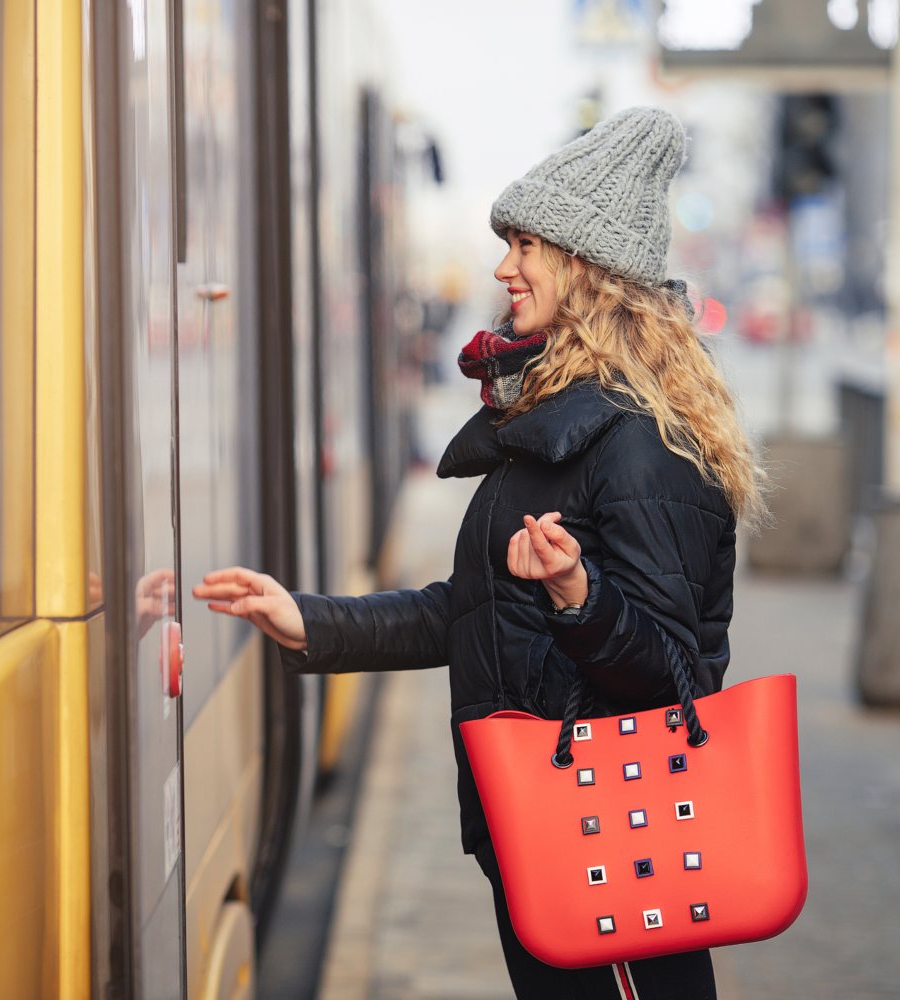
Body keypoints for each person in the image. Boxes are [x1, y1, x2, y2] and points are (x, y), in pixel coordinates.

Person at [192, 107, 764, 999]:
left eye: (526, 244)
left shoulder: (643, 444)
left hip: (620, 839)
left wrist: (580, 597)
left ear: (586, 267)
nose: (504, 267)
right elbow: (470, 608)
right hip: (546, 823)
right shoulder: (554, 420)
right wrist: (305, 617)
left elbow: (676, 675)